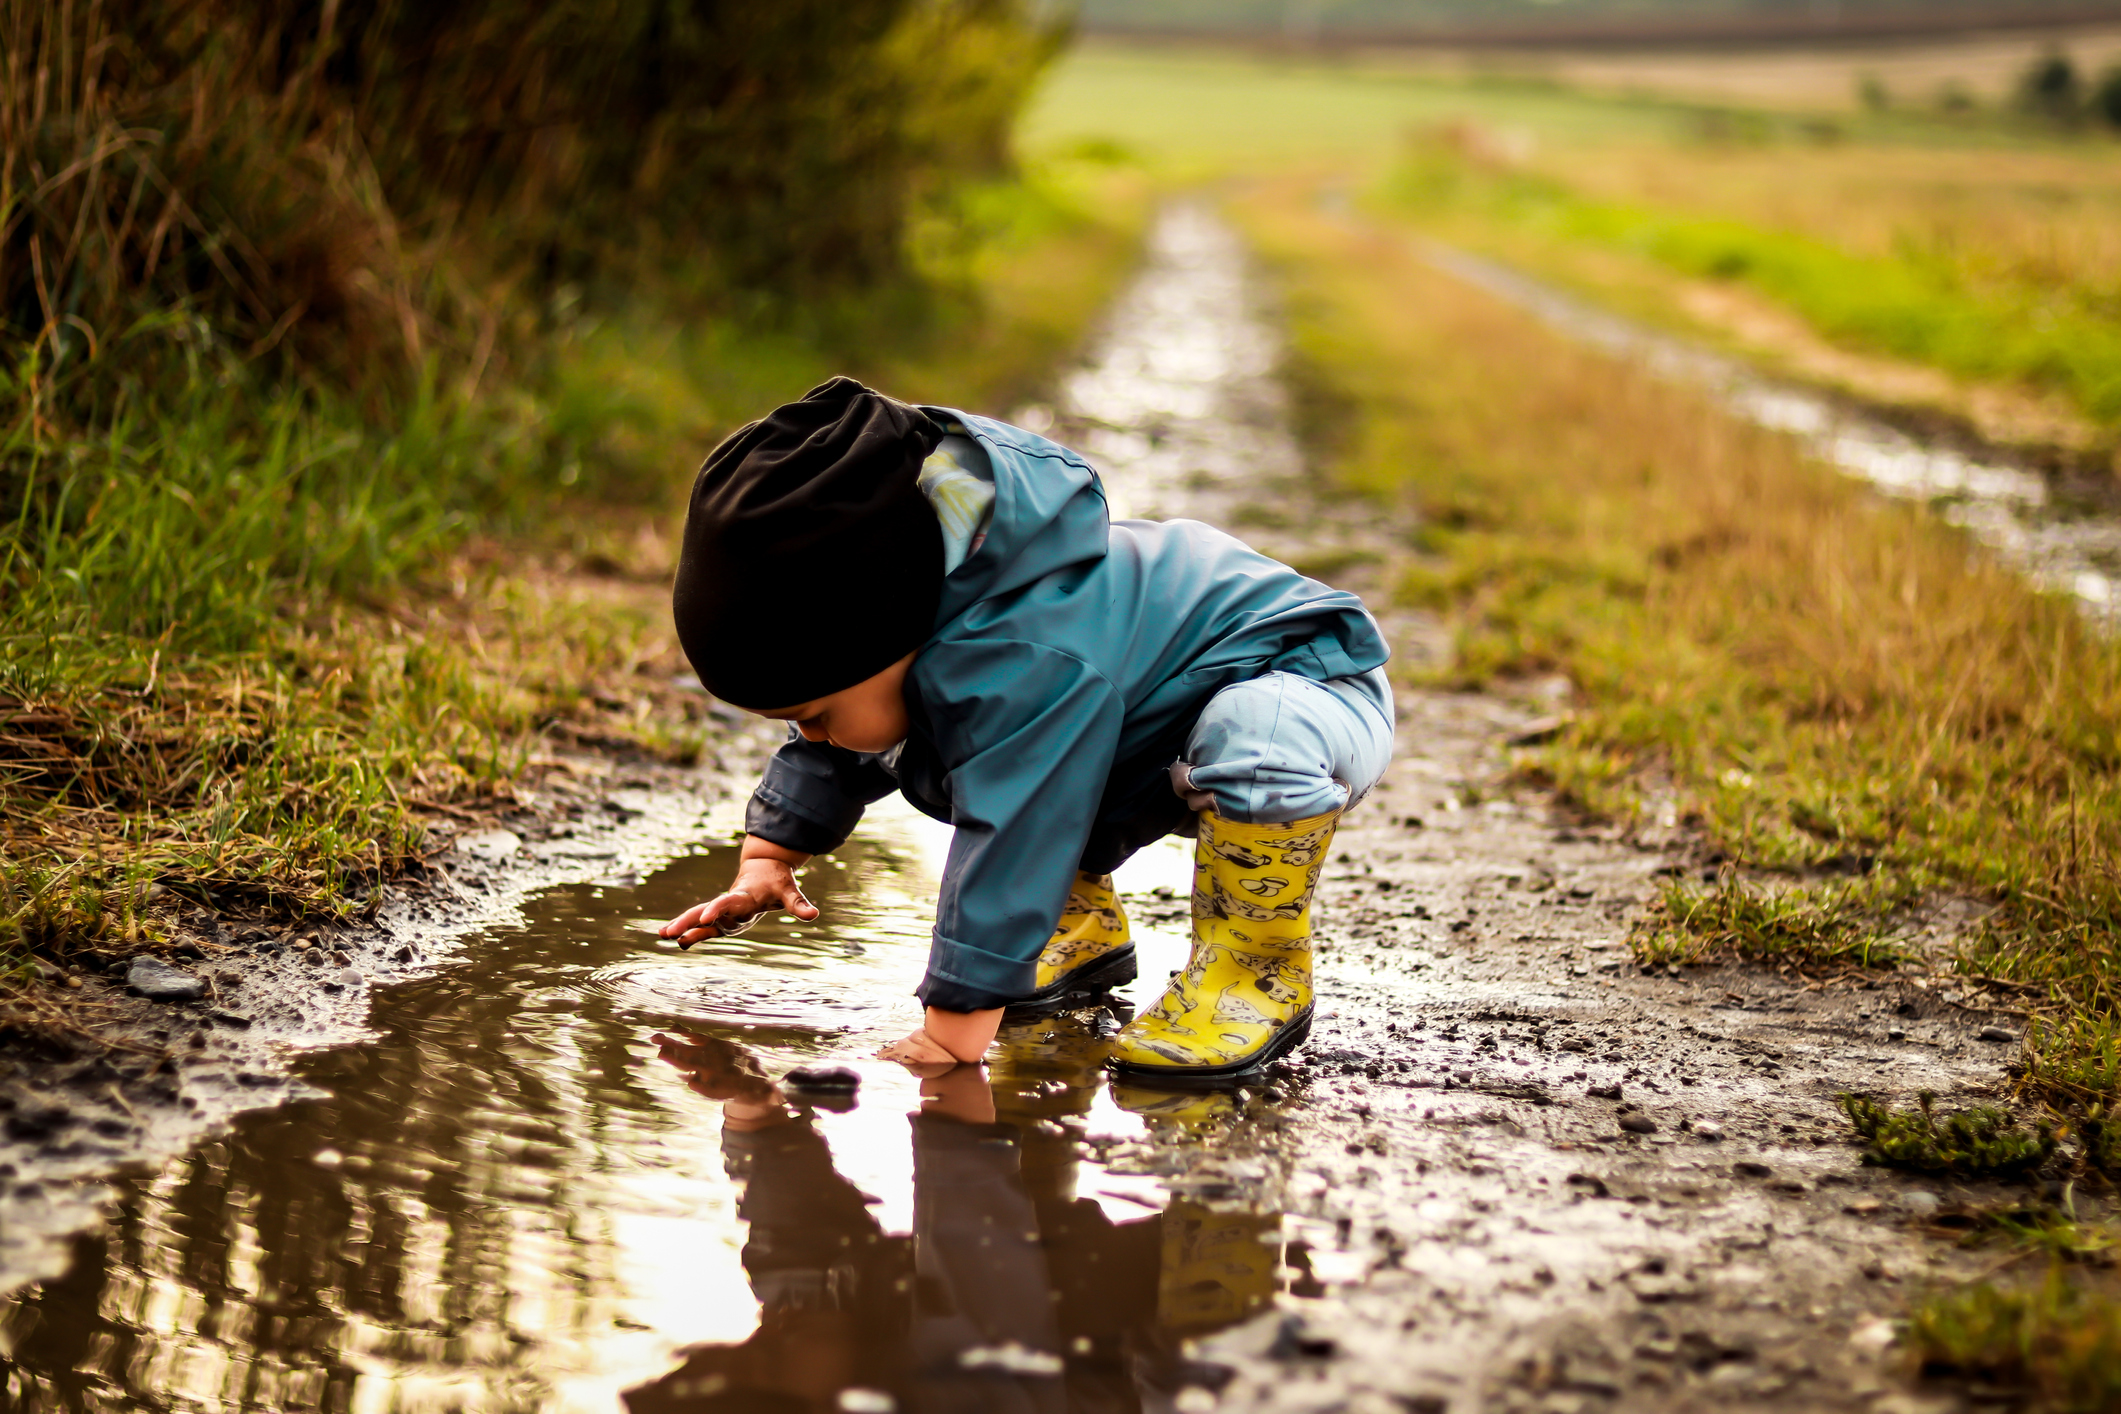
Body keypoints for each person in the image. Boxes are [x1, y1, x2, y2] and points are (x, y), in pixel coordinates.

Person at [658, 378, 1392, 1083]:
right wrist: (768, 856)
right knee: (945, 749)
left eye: (812, 713)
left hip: (1302, 682)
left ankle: (1250, 972)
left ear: (888, 635)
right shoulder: (909, 627)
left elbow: (1016, 826)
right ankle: (1074, 932)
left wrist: (953, 1028)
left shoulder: (1022, 654)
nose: (807, 735)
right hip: (1143, 720)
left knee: (1236, 736)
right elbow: (841, 751)